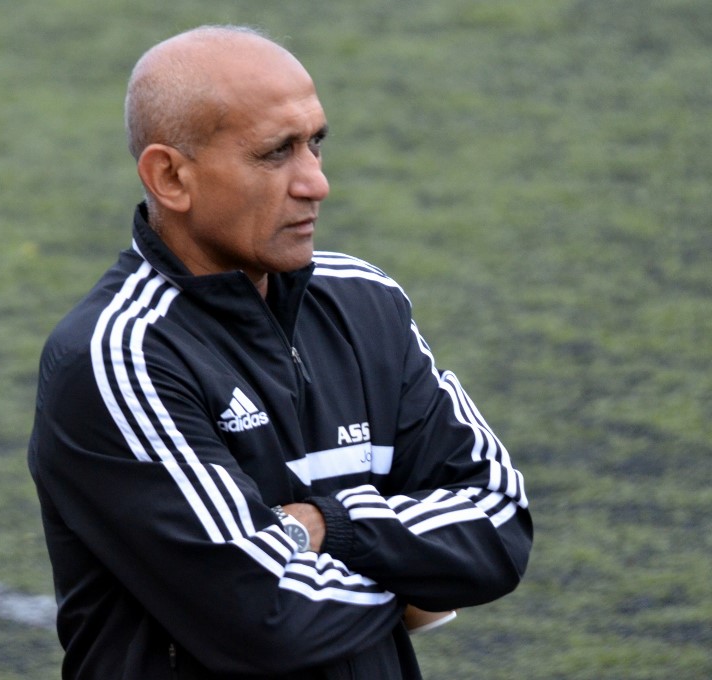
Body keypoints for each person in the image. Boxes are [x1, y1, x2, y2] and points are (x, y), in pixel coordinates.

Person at [28, 24, 532, 679]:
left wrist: (330, 526)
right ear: (170, 176)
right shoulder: (119, 358)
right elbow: (267, 618)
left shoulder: (366, 304)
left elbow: (499, 525)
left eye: (315, 143)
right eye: (275, 154)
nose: (315, 183)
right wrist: (413, 576)